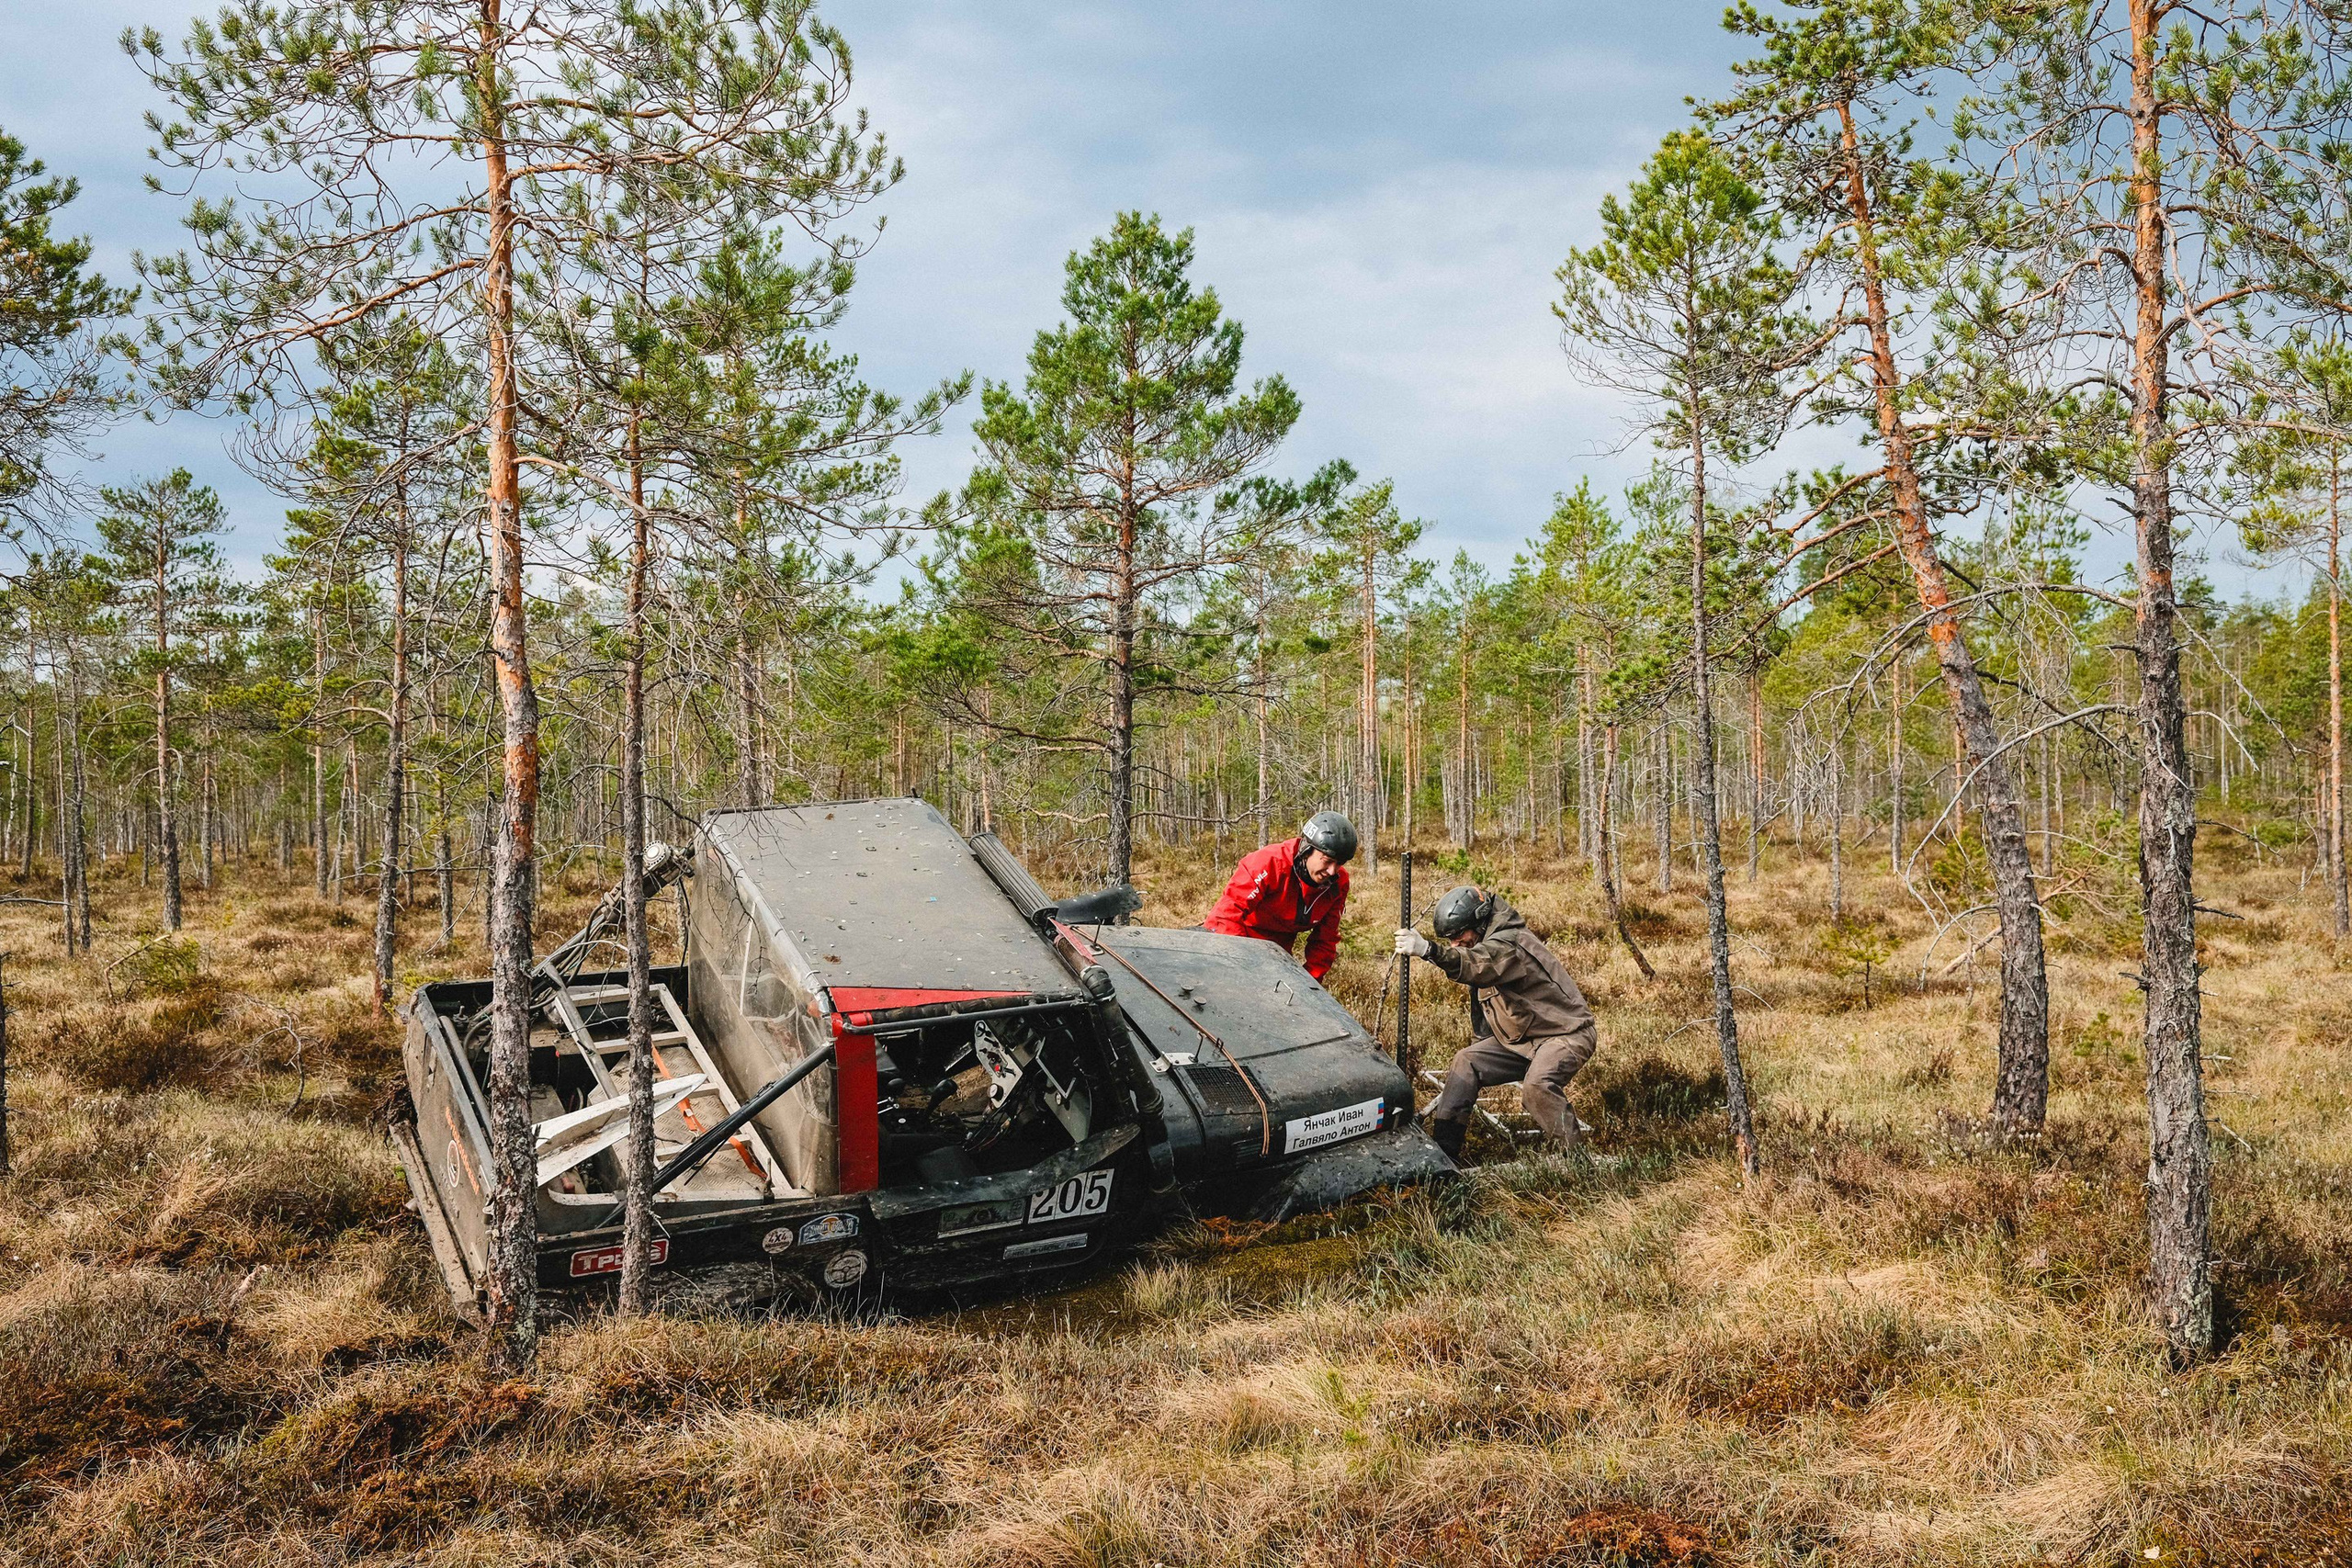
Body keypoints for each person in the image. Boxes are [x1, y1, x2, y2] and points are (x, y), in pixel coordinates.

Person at [1395, 885, 1597, 1160]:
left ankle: (1576, 1160)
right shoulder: (1482, 943)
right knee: (1466, 1061)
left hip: (1565, 1035)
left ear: (1479, 922)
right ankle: (1443, 1155)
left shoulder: (1510, 944)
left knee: (1537, 1087)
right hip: (1521, 1040)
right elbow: (1482, 1004)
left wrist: (1429, 950)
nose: (1455, 944)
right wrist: (1480, 1054)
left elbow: (1479, 964)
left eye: (1458, 936)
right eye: (1449, 939)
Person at [1202, 811, 1357, 981]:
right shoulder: (1269, 863)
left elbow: (1325, 940)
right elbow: (1226, 916)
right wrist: (1243, 967)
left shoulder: (1338, 883)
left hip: (1278, 955)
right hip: (1239, 941)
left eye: (1339, 863)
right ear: (1307, 850)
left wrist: (1309, 983)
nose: (1332, 871)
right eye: (1327, 861)